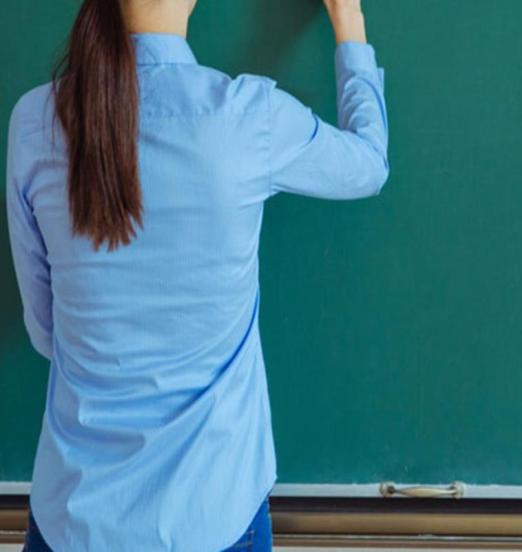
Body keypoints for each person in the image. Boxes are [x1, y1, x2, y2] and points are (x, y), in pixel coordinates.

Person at [6, 0, 388, 549]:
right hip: (213, 517)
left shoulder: (35, 123)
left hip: (73, 519)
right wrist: (349, 22)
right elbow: (368, 163)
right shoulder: (249, 118)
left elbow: (47, 331)